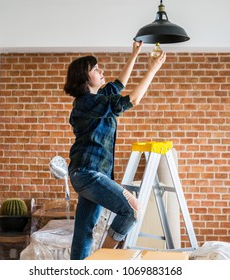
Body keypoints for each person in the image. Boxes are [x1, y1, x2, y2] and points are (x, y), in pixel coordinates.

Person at [63, 41, 166, 260]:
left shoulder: (97, 99)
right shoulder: (86, 103)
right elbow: (133, 99)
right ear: (84, 77)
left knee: (84, 232)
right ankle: (105, 259)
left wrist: (135, 54)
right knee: (131, 209)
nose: (101, 71)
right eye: (95, 69)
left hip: (89, 174)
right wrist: (153, 69)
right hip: (87, 173)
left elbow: (119, 84)